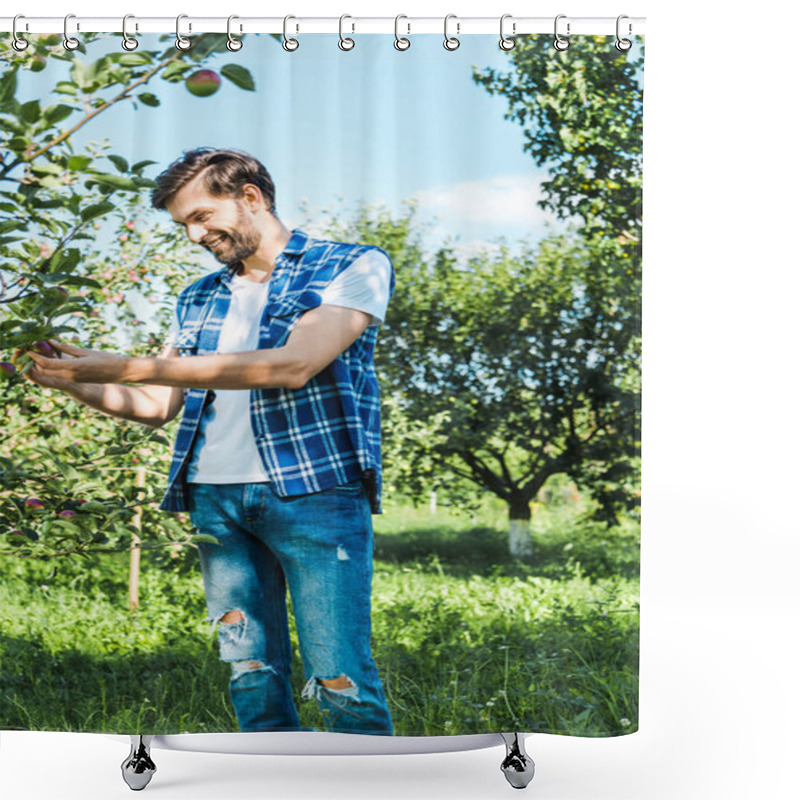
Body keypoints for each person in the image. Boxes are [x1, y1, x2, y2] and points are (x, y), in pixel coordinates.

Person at [24, 147, 394, 736]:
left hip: (315, 492)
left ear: (250, 197)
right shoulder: (199, 296)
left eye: (201, 217)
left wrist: (125, 365)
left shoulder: (350, 265)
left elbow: (293, 364)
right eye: (183, 226)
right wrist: (72, 378)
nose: (194, 235)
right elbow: (154, 406)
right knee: (249, 669)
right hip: (214, 501)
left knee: (339, 673)